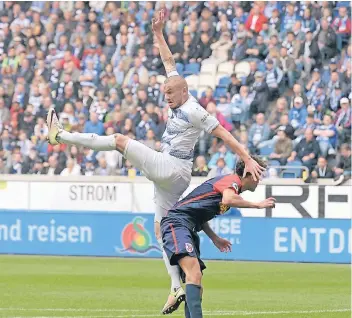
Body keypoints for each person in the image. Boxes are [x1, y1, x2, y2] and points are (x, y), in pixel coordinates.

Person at [45, 10, 265, 315]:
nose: (167, 97)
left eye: (171, 93)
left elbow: (224, 134)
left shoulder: (195, 110)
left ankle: (61, 136)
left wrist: (245, 157)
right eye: (164, 93)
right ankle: (177, 285)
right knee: (165, 224)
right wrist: (158, 33)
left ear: (184, 91)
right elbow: (168, 62)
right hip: (172, 173)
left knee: (119, 140)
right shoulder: (176, 91)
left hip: (173, 168)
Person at [160, 156, 275, 318]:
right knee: (194, 274)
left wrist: (215, 238)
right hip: (177, 223)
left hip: (189, 227)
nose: (260, 179)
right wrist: (257, 205)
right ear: (248, 173)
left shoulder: (232, 187)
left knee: (196, 285)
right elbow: (228, 199)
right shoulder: (231, 181)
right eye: (258, 173)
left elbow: (201, 214)